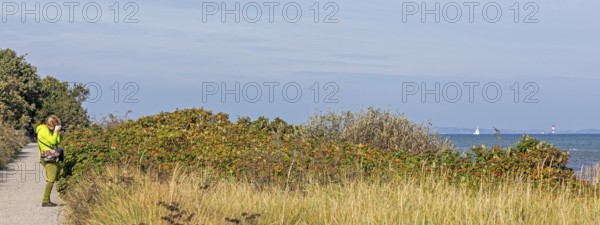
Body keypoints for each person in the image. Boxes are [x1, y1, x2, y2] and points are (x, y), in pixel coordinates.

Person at [36, 115, 64, 207]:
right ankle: (45, 200)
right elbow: (52, 142)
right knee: (51, 179)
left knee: (60, 171)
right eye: (55, 124)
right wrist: (55, 132)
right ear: (51, 123)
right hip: (48, 157)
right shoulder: (43, 130)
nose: (56, 126)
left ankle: (63, 189)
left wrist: (59, 133)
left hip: (52, 156)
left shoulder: (49, 130)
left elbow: (57, 142)